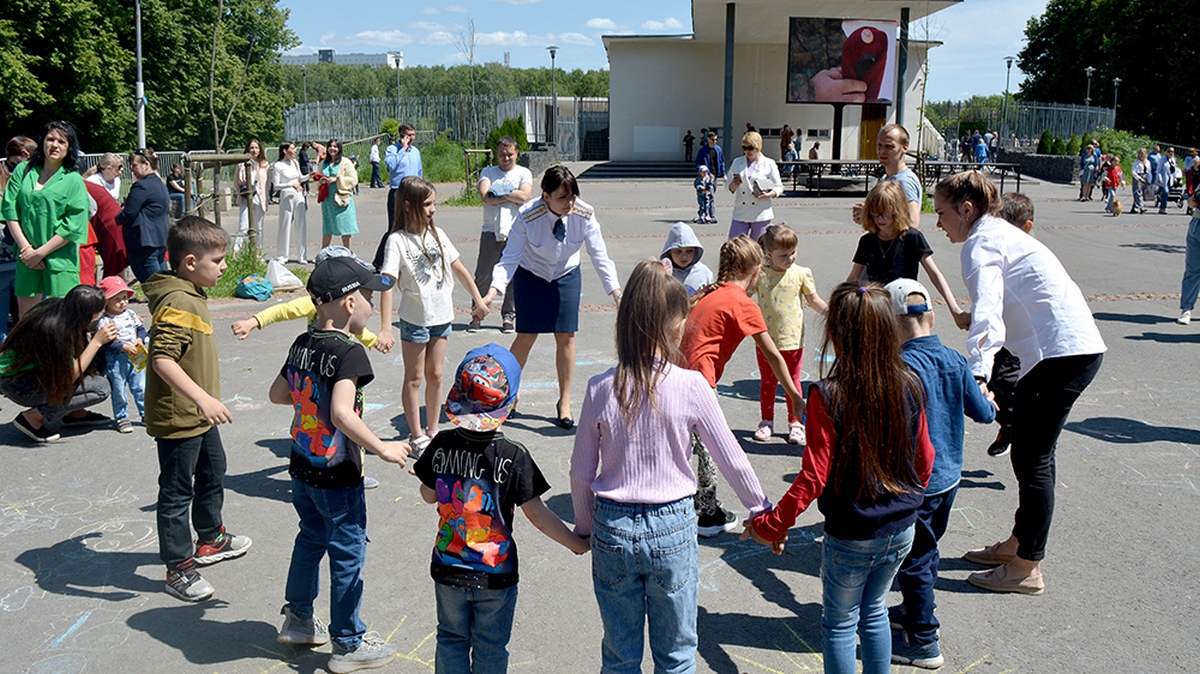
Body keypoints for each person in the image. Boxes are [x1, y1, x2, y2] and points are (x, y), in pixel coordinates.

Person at [571, 260, 771, 674]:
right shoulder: (691, 385)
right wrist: (760, 508)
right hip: (672, 526)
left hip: (612, 526)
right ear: (678, 326)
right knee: (677, 655)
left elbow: (580, 472)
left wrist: (585, 525)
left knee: (620, 655)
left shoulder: (600, 388)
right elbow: (729, 456)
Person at [746, 282, 934, 674]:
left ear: (833, 336)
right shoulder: (910, 383)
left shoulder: (828, 395)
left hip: (852, 532)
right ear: (890, 330)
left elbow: (813, 476)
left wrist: (770, 524)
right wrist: (908, 501)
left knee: (840, 622)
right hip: (900, 527)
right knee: (875, 611)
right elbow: (925, 459)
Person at [933, 171, 1105, 595]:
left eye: (940, 213)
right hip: (1061, 351)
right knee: (1029, 455)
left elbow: (987, 313)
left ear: (966, 209)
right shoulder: (996, 233)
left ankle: (1028, 566)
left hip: (1062, 355)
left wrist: (977, 373)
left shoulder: (981, 243)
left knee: (1034, 459)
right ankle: (1018, 545)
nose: (937, 223)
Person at [267, 255, 408, 674]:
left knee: (310, 538)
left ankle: (299, 619)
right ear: (349, 303)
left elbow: (278, 393)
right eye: (368, 296)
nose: (372, 304)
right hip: (338, 474)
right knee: (347, 551)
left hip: (302, 465)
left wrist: (309, 398)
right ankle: (347, 643)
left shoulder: (302, 343)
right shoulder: (349, 354)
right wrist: (382, 447)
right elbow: (344, 414)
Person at [415, 344, 588, 673]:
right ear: (513, 401)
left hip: (448, 566)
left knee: (451, 638)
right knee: (491, 645)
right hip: (495, 572)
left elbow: (428, 495)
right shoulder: (514, 454)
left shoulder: (440, 444)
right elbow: (537, 515)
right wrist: (575, 543)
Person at [883, 277, 995, 669]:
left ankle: (923, 639)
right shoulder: (953, 358)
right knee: (925, 550)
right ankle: (914, 610)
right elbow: (983, 413)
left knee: (916, 558)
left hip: (916, 483)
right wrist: (990, 401)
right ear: (931, 315)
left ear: (892, 325)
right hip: (948, 479)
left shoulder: (899, 366)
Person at [144, 216, 251, 602]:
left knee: (213, 469)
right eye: (218, 260)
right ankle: (178, 567)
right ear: (190, 262)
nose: (223, 267)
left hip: (198, 415)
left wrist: (203, 404)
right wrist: (203, 398)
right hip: (180, 416)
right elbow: (162, 360)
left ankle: (210, 538)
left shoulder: (190, 292)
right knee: (175, 492)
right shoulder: (178, 300)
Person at [480, 166, 622, 429]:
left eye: (572, 196)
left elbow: (600, 255)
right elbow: (509, 258)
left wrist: (616, 293)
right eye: (562, 197)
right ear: (545, 196)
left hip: (566, 273)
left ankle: (564, 401)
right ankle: (509, 393)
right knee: (525, 336)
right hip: (531, 273)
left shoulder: (584, 214)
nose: (569, 203)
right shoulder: (527, 215)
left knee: (566, 336)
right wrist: (493, 292)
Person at [682, 235, 803, 535]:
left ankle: (683, 500)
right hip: (699, 381)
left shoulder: (712, 290)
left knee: (685, 442)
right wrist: (794, 396)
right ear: (755, 270)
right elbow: (774, 355)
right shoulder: (742, 303)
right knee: (712, 446)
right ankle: (707, 513)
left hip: (677, 373)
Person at [378, 177, 488, 456]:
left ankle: (433, 430)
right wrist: (385, 328)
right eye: (427, 204)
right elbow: (387, 284)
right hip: (415, 319)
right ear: (407, 205)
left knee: (436, 374)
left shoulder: (438, 234)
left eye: (434, 203)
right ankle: (417, 436)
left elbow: (460, 268)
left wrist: (478, 300)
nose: (433, 209)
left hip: (442, 316)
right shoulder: (397, 241)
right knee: (414, 378)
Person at [0, 284, 115, 443]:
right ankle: (32, 418)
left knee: (99, 357)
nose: (100, 315)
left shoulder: (59, 309)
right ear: (85, 313)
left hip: (32, 372)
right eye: (98, 312)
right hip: (18, 384)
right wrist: (96, 342)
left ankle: (73, 413)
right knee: (100, 388)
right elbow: (67, 377)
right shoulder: (56, 330)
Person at [847, 181, 969, 329]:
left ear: (898, 211)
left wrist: (955, 309)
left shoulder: (912, 237)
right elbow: (853, 278)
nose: (880, 219)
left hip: (905, 310)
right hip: (877, 309)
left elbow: (935, 274)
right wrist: (838, 303)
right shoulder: (867, 241)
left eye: (886, 214)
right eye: (875, 214)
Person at [2, 120, 89, 318]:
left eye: (61, 141)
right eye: (50, 139)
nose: (55, 145)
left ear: (69, 147)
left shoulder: (72, 179)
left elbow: (73, 225)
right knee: (27, 319)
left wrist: (41, 253)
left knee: (64, 318)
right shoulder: (23, 170)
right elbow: (10, 210)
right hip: (27, 257)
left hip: (60, 258)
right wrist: (27, 250)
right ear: (42, 142)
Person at [752, 224, 828, 445]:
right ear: (768, 254)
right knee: (767, 382)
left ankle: (795, 423)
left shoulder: (801, 273)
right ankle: (766, 421)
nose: (790, 258)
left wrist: (830, 313)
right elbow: (745, 297)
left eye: (793, 252)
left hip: (793, 340)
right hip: (766, 340)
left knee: (793, 383)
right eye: (783, 255)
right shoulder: (760, 275)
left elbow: (814, 300)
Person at [985, 192, 1036, 458]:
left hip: (1025, 337)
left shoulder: (1032, 256)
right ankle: (1008, 424)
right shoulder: (1000, 250)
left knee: (1008, 381)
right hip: (1002, 331)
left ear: (1026, 228)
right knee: (992, 382)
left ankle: (1018, 428)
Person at [470, 136, 532, 335]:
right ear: (496, 154)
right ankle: (477, 314)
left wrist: (500, 192)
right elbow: (486, 197)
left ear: (516, 153)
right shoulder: (488, 172)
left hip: (516, 232)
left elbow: (525, 197)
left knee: (514, 275)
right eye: (502, 154)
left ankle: (508, 315)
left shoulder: (524, 172)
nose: (505, 158)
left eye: (510, 154)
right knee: (483, 274)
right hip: (490, 231)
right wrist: (510, 194)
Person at [97, 276, 147, 434]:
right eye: (117, 299)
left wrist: (140, 339)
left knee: (140, 386)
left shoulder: (131, 314)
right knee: (119, 389)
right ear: (106, 302)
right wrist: (123, 347)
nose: (122, 302)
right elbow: (106, 343)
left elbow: (141, 329)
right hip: (116, 359)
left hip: (135, 356)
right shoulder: (105, 320)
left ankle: (146, 414)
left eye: (124, 298)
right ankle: (121, 417)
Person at [0, 136, 37, 343]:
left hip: (12, 259)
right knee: (31, 317)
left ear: (24, 155)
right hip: (29, 258)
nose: (10, 167)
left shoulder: (15, 180)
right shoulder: (39, 178)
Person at [116, 148, 170, 284]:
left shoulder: (141, 186)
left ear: (146, 164)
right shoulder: (160, 184)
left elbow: (129, 213)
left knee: (154, 287)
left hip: (144, 243)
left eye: (134, 166)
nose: (132, 170)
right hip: (159, 239)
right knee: (163, 285)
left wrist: (117, 217)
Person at [853, 124, 924, 227]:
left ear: (904, 147)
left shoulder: (904, 182)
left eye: (889, 146)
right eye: (879, 145)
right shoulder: (885, 178)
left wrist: (870, 215)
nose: (882, 151)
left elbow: (912, 224)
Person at [377, 123, 423, 270]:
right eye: (408, 135)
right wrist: (402, 149)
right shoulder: (392, 150)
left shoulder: (416, 151)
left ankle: (410, 258)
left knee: (415, 224)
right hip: (398, 191)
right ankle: (380, 261)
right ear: (401, 135)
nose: (411, 138)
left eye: (413, 135)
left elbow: (419, 170)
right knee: (394, 227)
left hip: (414, 191)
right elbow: (391, 165)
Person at [726, 131, 783, 240]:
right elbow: (728, 184)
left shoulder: (769, 163)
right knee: (734, 246)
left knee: (760, 248)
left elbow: (779, 186)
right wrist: (733, 185)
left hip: (761, 213)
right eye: (744, 148)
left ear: (758, 147)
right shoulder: (737, 162)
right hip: (741, 212)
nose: (747, 151)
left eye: (751, 148)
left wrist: (769, 194)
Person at [316, 139, 359, 249]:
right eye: (330, 146)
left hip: (341, 197)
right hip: (328, 199)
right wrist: (321, 181)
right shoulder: (323, 163)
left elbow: (353, 179)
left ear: (339, 148)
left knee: (345, 226)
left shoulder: (345, 162)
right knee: (327, 226)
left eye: (335, 146)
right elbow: (318, 177)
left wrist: (337, 179)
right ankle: (324, 251)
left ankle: (347, 252)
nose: (332, 149)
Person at [272, 141, 309, 263]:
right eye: (292, 149)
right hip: (286, 195)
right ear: (284, 151)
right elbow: (276, 185)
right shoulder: (278, 165)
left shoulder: (295, 163)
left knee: (301, 224)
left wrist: (311, 175)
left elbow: (300, 178)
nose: (294, 151)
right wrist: (290, 184)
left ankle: (302, 255)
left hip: (298, 195)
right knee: (285, 224)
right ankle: (282, 255)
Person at [660, 221, 713, 295]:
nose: (684, 256)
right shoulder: (662, 273)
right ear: (669, 251)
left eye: (689, 251)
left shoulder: (704, 273)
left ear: (696, 250)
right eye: (678, 252)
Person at [235, 139, 270, 246]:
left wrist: (266, 196)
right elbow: (236, 182)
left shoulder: (265, 165)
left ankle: (257, 252)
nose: (254, 150)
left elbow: (267, 183)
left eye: (256, 148)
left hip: (260, 198)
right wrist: (239, 194)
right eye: (252, 148)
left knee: (258, 227)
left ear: (260, 150)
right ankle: (236, 251)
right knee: (243, 226)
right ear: (247, 150)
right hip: (245, 198)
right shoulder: (241, 165)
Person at [1176, 191, 1200, 326]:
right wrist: (1194, 200)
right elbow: (1191, 203)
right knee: (1193, 270)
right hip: (1197, 226)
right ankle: (1186, 309)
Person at [1156, 147, 1178, 214]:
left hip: (1170, 179)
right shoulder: (1162, 159)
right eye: (1169, 151)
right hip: (1163, 179)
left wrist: (1175, 177)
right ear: (1166, 152)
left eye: (1172, 152)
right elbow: (1158, 170)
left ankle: (1162, 206)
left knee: (1166, 194)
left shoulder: (1173, 160)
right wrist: (1159, 178)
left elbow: (1174, 170)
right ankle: (1163, 208)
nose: (1170, 153)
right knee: (1165, 192)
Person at [1132, 148, 1152, 215]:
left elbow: (1149, 172)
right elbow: (1133, 171)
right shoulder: (1136, 162)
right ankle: (1141, 208)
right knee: (1138, 192)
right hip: (1138, 177)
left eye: (1143, 153)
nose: (1141, 155)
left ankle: (1134, 207)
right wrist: (1138, 178)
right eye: (1140, 153)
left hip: (1145, 177)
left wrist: (1149, 180)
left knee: (1142, 193)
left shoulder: (1148, 162)